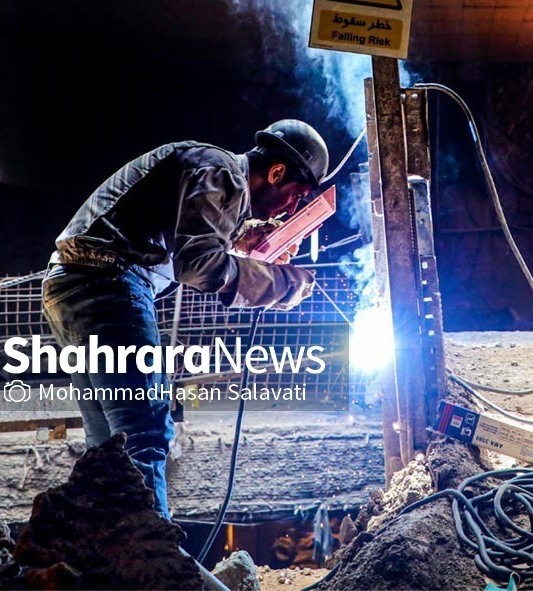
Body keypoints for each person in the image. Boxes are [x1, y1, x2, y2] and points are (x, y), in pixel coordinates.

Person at [42, 120, 329, 518]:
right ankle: (148, 561)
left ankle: (103, 556)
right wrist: (284, 284)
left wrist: (247, 244)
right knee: (144, 432)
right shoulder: (220, 169)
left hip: (72, 287)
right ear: (277, 172)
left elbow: (193, 238)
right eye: (295, 196)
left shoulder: (208, 172)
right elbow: (200, 265)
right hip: (105, 285)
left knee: (108, 442)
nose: (291, 208)